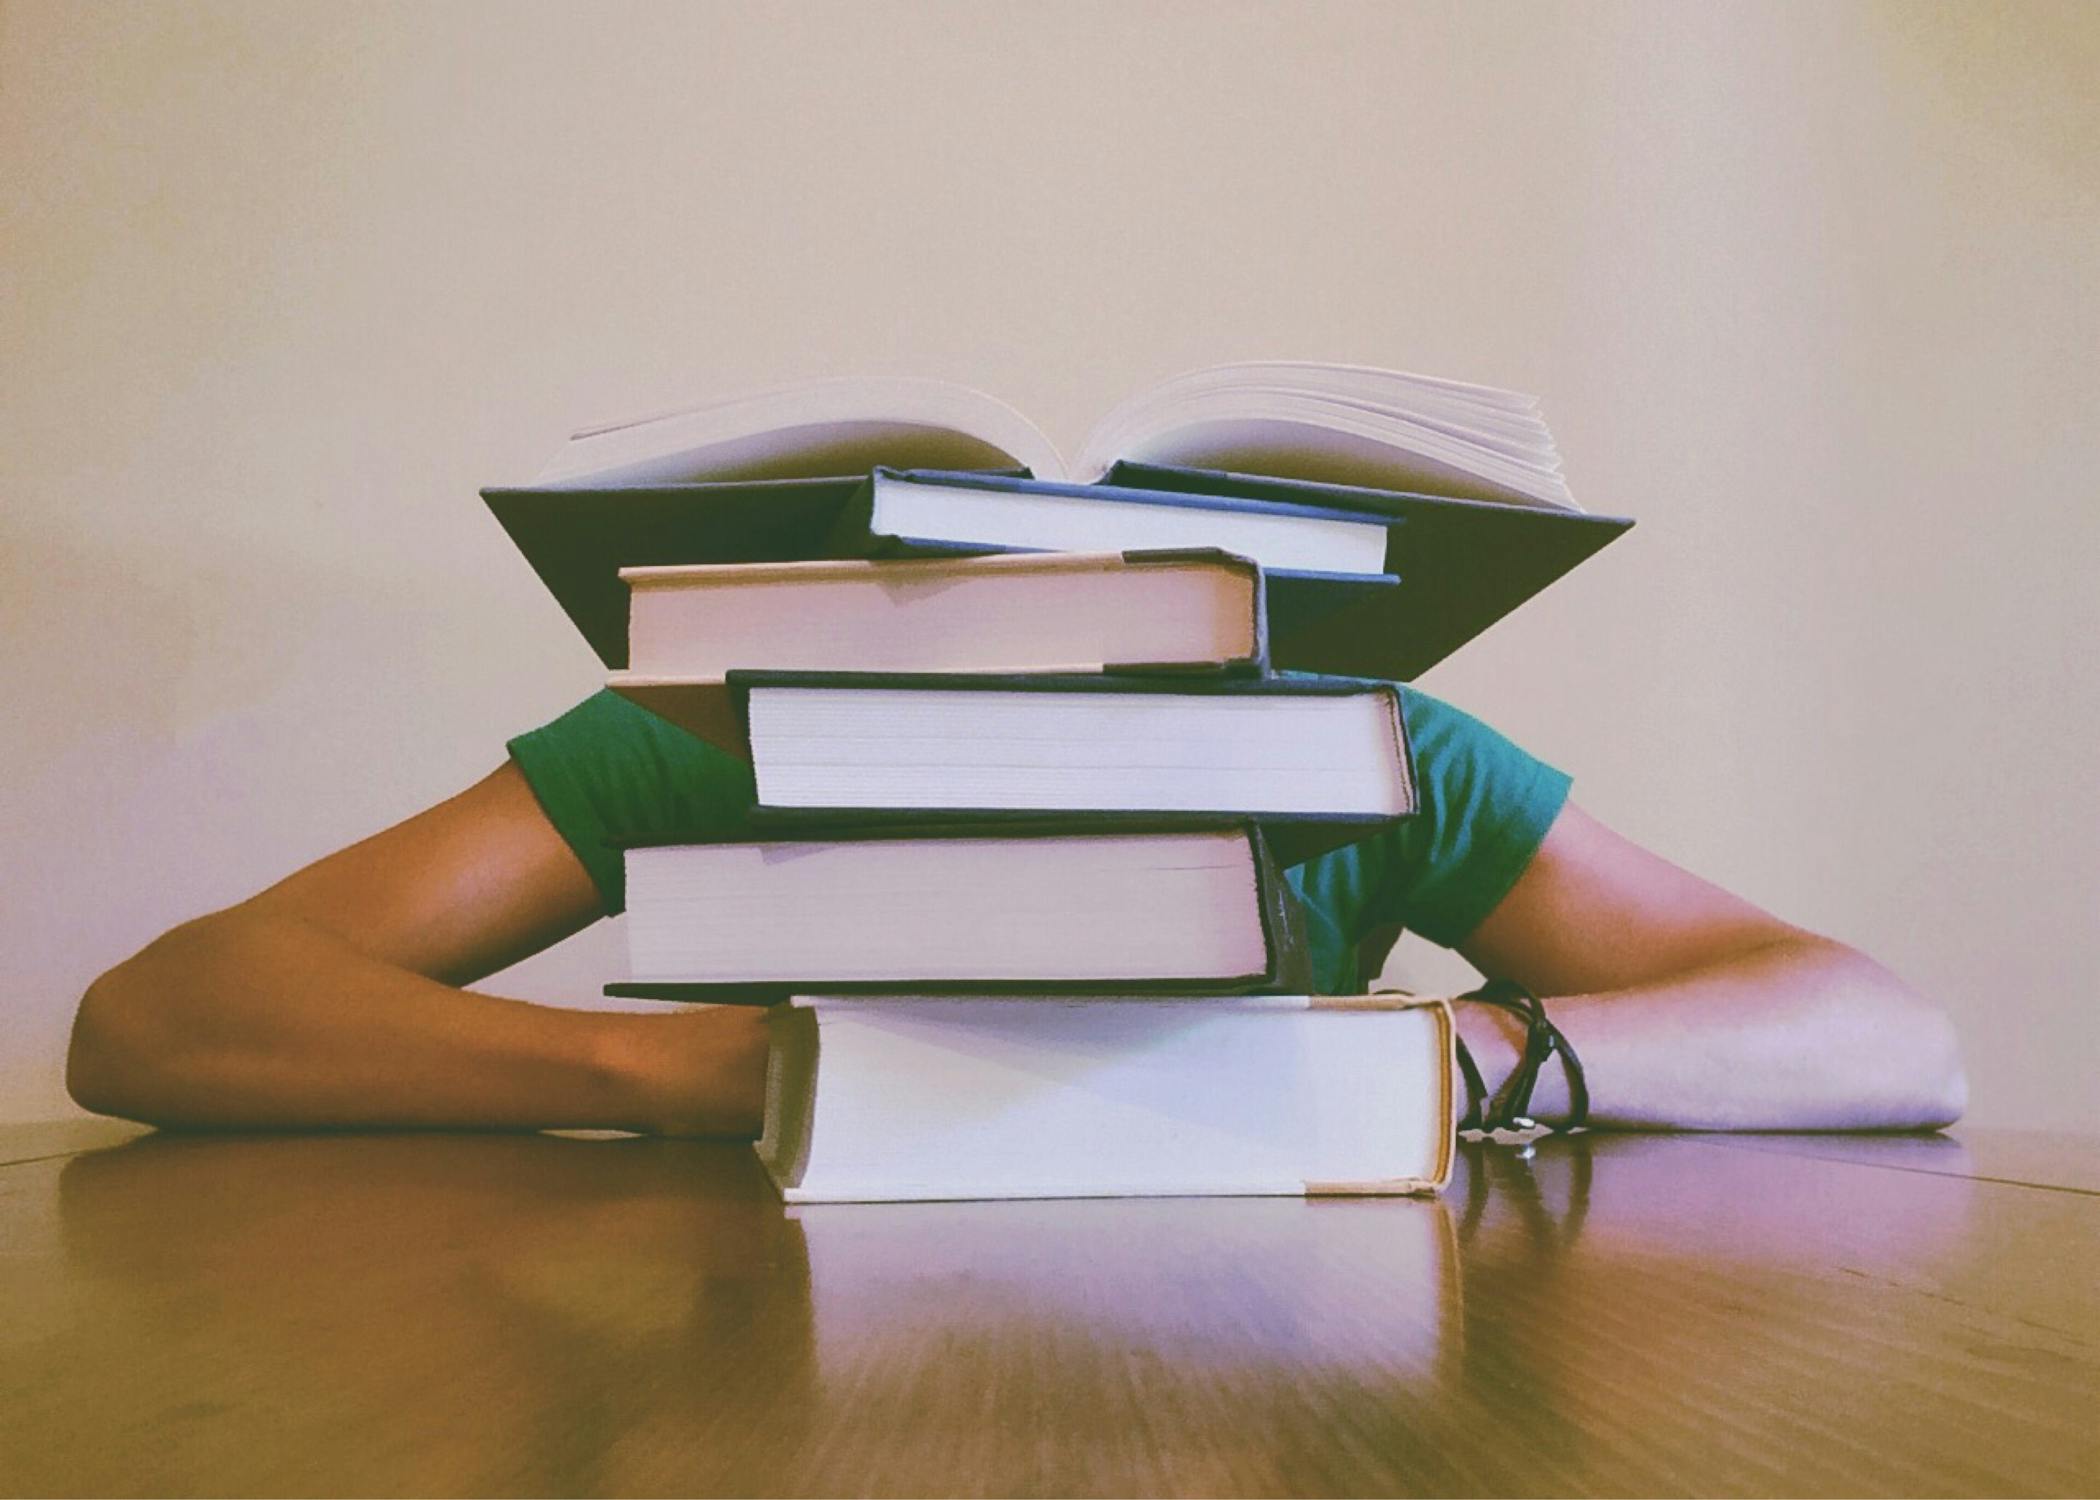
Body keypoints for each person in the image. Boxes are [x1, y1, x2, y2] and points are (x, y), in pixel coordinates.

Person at [65, 686, 1966, 1136]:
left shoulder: (1363, 755)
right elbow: (155, 1017)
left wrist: (1463, 1056)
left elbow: (1888, 1032)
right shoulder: (720, 727)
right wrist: (713, 1072)